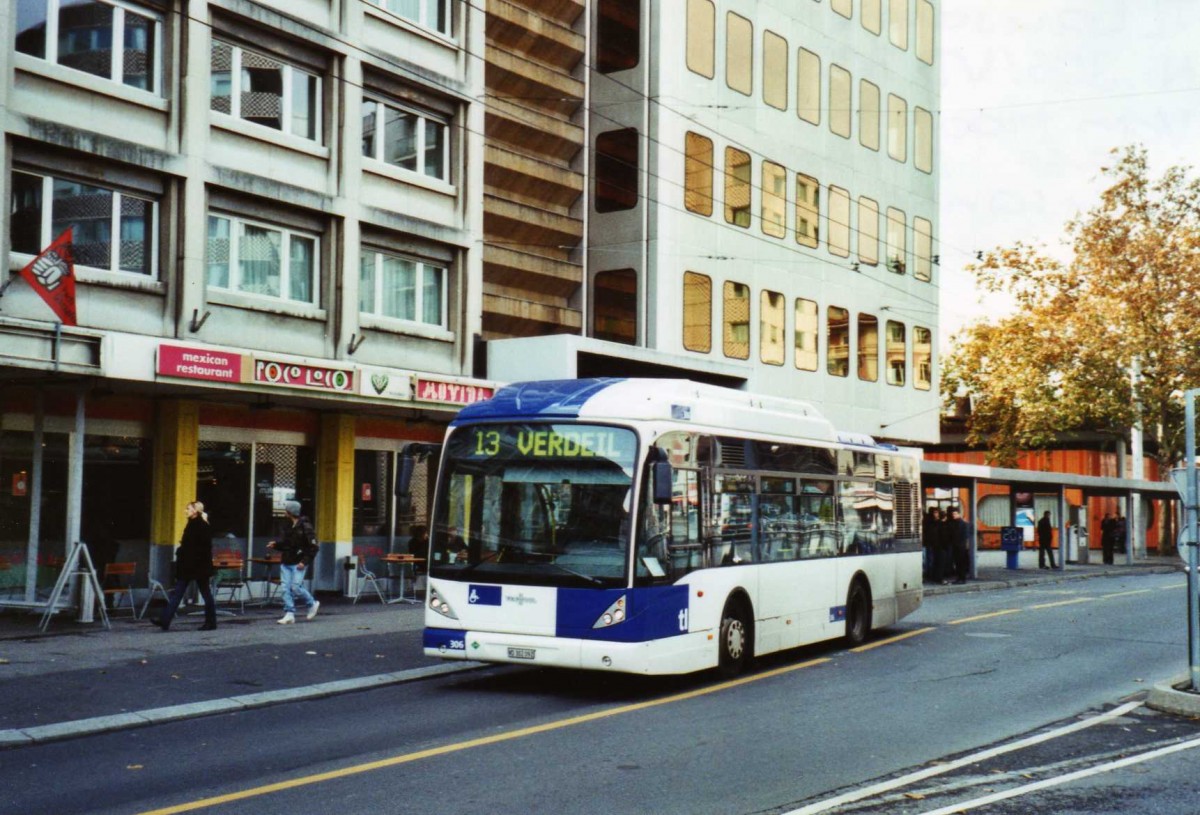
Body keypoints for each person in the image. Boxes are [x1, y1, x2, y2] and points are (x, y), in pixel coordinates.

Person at [151, 501, 216, 632]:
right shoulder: (196, 524)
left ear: (195, 511)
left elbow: (200, 548)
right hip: (193, 566)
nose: (185, 511)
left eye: (188, 509)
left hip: (195, 566)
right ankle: (165, 620)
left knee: (201, 594)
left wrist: (183, 553)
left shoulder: (200, 526)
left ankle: (210, 622)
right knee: (181, 592)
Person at [267, 500, 320, 624]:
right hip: (287, 561)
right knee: (286, 588)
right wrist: (276, 545)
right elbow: (288, 544)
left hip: (298, 562)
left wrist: (304, 561)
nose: (285, 511)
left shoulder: (305, 527)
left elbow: (314, 546)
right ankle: (289, 613)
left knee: (295, 587)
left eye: (286, 509)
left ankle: (312, 603)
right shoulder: (289, 525)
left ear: (290, 512)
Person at [944, 506, 970, 584]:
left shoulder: (964, 524)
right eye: (953, 514)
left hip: (961, 546)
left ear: (959, 514)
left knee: (961, 563)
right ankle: (959, 578)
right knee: (957, 563)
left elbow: (965, 536)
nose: (954, 515)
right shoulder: (953, 523)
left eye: (955, 514)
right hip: (955, 546)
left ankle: (962, 578)